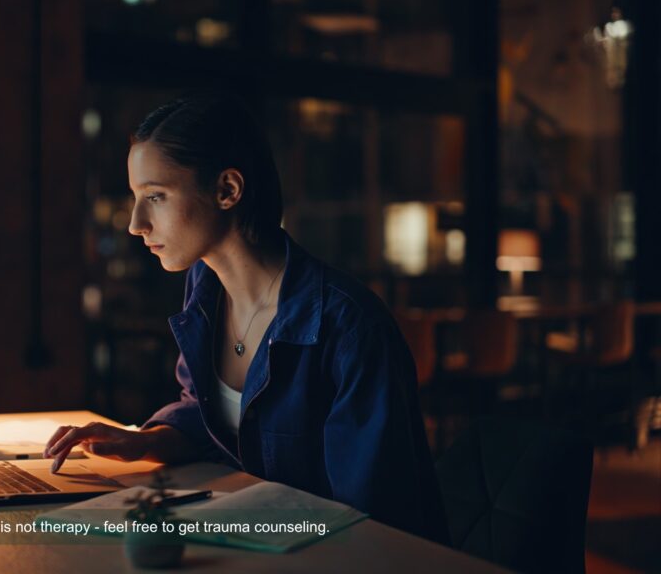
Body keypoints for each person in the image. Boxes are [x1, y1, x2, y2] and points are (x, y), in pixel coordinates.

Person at [43, 92, 448, 543]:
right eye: (137, 198)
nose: (136, 223)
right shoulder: (205, 288)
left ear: (227, 190)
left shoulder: (349, 327)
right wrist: (143, 440)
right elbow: (213, 418)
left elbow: (372, 518)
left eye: (155, 196)